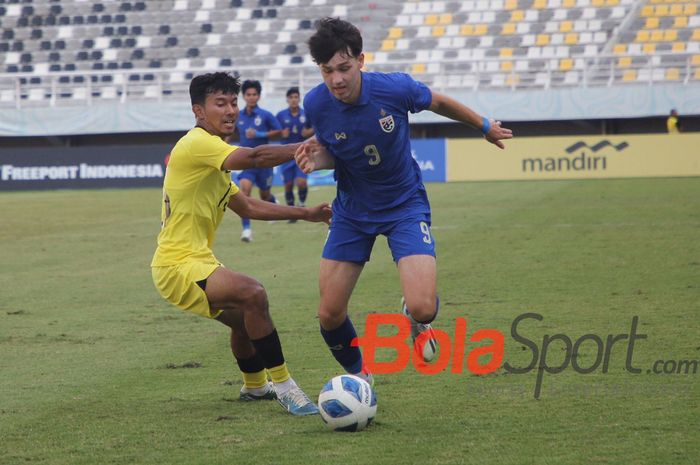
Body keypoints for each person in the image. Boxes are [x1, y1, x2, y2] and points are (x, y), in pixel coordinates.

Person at [295, 18, 513, 384]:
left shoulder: (393, 89)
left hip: (403, 205)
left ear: (361, 60)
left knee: (424, 307)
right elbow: (336, 150)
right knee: (329, 313)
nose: (336, 80)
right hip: (352, 211)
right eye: (327, 71)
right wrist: (318, 160)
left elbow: (439, 101)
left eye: (344, 68)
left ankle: (415, 321)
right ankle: (361, 377)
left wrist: (483, 125)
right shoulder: (316, 104)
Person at [151, 72, 330, 415]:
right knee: (253, 293)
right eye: (221, 103)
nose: (231, 110)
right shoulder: (196, 143)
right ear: (198, 111)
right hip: (177, 266)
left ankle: (255, 386)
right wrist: (304, 147)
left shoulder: (212, 161)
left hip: (193, 261)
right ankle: (286, 387)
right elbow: (255, 157)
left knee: (244, 318)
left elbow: (247, 206)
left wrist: (307, 213)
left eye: (233, 103)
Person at [236, 79, 283, 242]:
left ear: (258, 96)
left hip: (264, 162)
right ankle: (247, 230)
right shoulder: (238, 116)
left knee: (264, 195)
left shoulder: (265, 115)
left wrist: (259, 135)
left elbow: (279, 131)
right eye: (248, 94)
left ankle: (272, 201)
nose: (251, 97)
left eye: (254, 94)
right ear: (243, 96)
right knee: (244, 192)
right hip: (247, 163)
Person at [276, 87, 315, 223]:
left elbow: (315, 128)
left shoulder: (306, 114)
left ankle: (302, 204)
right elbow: (275, 131)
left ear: (299, 99)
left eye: (296, 97)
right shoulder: (280, 115)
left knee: (301, 182)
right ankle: (292, 213)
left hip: (303, 152)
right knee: (287, 185)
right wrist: (281, 133)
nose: (294, 100)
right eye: (291, 97)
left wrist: (308, 133)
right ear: (287, 99)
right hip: (285, 155)